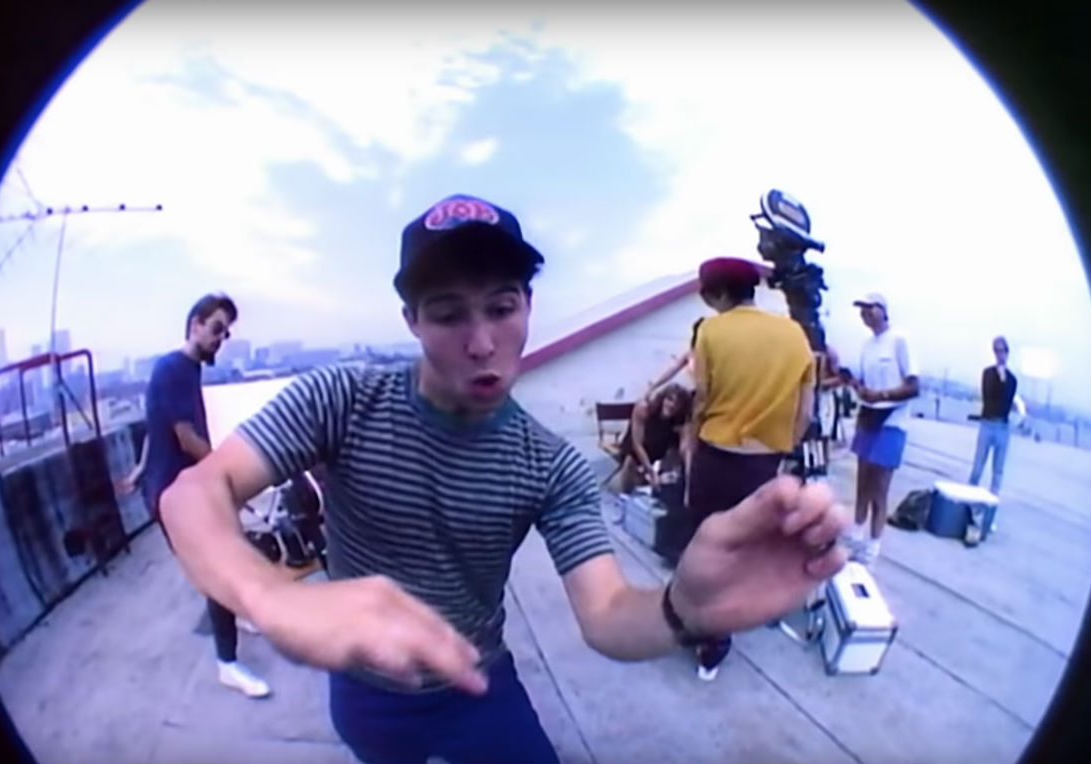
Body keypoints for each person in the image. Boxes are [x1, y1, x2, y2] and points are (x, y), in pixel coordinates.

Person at [158, 194, 850, 764]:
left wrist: (684, 609)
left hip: (478, 681)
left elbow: (608, 613)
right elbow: (194, 493)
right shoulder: (342, 400)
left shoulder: (548, 463)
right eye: (448, 314)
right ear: (411, 321)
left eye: (501, 307)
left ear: (528, 305)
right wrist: (275, 599)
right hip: (367, 690)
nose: (482, 342)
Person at [117, 293, 271, 699]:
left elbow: (155, 427)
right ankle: (228, 665)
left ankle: (234, 616)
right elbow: (186, 438)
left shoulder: (184, 370)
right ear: (195, 325)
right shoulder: (172, 370)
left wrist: (139, 469)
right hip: (176, 496)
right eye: (217, 329)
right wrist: (229, 475)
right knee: (216, 569)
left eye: (226, 332)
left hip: (181, 486)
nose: (221, 338)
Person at [684, 256, 817, 681]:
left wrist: (691, 440)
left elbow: (702, 397)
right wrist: (785, 446)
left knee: (707, 545)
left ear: (719, 293)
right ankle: (733, 619)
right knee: (745, 546)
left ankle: (710, 637)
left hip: (717, 454)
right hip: (764, 462)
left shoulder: (712, 330)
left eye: (708, 294)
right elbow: (805, 408)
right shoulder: (794, 334)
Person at [847, 292, 921, 567]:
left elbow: (913, 386)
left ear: (883, 310)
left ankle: (873, 545)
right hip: (868, 417)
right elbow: (862, 382)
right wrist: (857, 387)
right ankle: (855, 535)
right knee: (862, 482)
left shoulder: (900, 340)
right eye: (861, 309)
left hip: (891, 422)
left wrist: (883, 396)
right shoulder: (867, 345)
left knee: (879, 488)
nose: (865, 313)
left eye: (870, 308)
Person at [968, 335, 1026, 497]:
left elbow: (1006, 402)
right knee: (978, 466)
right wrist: (999, 378)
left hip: (1002, 427)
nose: (1000, 355)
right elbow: (989, 397)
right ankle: (968, 499)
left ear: (1007, 353)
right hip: (987, 424)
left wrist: (1003, 379)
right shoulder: (988, 373)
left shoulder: (1012, 380)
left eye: (1002, 351)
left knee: (998, 469)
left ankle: (992, 501)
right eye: (996, 351)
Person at [611, 383, 692, 494]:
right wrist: (651, 472)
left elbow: (685, 448)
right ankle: (627, 490)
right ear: (663, 398)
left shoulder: (680, 420)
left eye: (678, 403)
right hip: (635, 450)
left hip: (659, 451)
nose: (672, 405)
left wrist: (688, 475)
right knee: (631, 459)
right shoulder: (644, 409)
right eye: (669, 399)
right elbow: (637, 444)